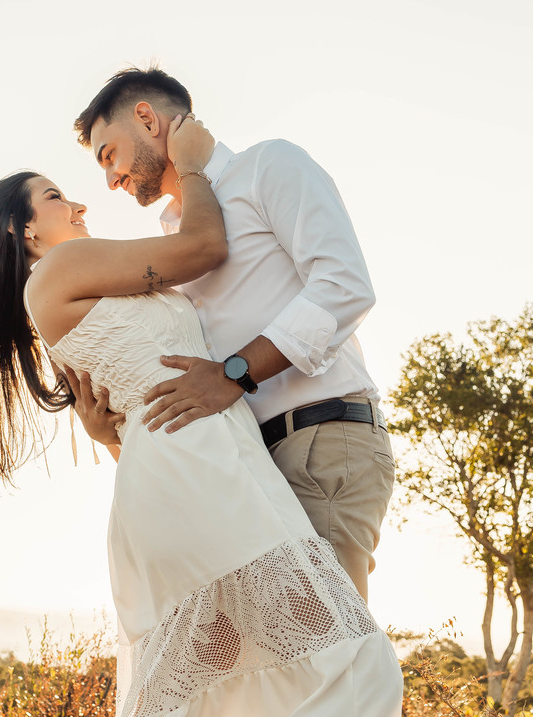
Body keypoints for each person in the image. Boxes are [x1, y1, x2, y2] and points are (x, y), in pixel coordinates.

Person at [0, 116, 401, 717]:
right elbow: (204, 248)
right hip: (201, 473)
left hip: (202, 466)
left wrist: (107, 435)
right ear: (24, 232)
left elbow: (138, 400)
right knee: (344, 661)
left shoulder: (79, 281)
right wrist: (191, 165)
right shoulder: (65, 268)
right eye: (54, 198)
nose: (80, 201)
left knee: (218, 686)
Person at [72, 67, 393, 603]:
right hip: (246, 470)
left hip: (318, 441)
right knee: (268, 664)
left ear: (147, 119)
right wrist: (110, 428)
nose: (110, 182)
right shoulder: (175, 231)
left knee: (335, 660)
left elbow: (344, 286)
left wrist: (233, 374)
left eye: (110, 156)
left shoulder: (269, 165)